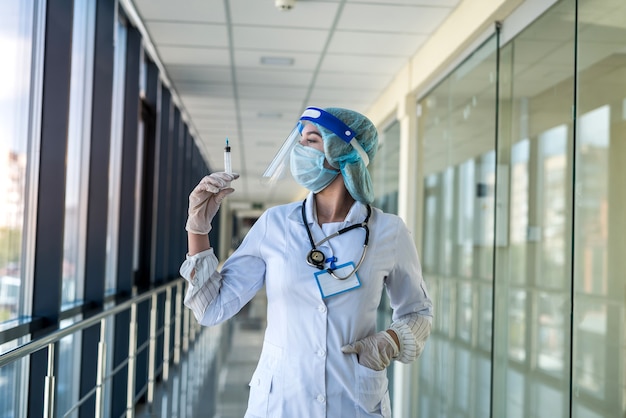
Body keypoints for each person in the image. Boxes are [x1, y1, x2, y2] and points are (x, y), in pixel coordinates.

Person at [180, 106, 433, 418]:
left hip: (353, 401)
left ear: (342, 150)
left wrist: (389, 342)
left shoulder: (388, 232)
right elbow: (211, 307)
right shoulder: (275, 223)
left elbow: (418, 312)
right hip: (280, 404)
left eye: (311, 140)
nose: (299, 151)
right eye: (299, 141)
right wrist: (197, 229)